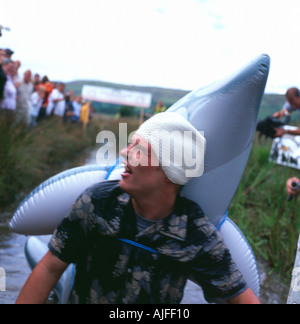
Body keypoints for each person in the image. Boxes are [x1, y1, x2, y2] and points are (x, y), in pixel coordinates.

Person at [16, 112, 260, 304]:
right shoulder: (98, 204)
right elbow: (50, 268)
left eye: (139, 149)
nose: (125, 153)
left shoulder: (193, 232)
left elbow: (239, 296)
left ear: (169, 172)